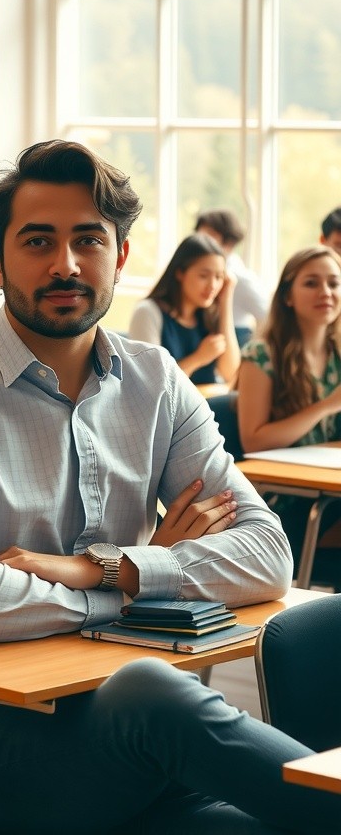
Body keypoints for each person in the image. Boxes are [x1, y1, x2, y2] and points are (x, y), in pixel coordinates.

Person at [0, 139, 338, 834]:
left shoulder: (156, 380)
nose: (65, 264)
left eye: (88, 239)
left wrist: (102, 565)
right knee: (152, 693)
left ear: (119, 256)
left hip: (137, 735)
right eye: (38, 241)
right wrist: (135, 582)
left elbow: (268, 556)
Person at [237, 245, 341, 584]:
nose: (326, 292)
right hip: (287, 502)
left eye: (334, 283)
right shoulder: (262, 353)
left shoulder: (337, 351)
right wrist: (326, 405)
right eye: (312, 283)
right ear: (287, 296)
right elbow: (254, 439)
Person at [128, 232, 240, 386]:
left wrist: (226, 300)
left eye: (219, 277)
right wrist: (198, 358)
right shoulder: (148, 312)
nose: (213, 285)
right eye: (203, 275)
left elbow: (231, 373)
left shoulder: (208, 316)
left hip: (205, 405)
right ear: (180, 273)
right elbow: (151, 383)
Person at [196, 208, 269, 347]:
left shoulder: (240, 279)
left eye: (208, 237)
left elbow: (268, 317)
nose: (201, 242)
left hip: (232, 343)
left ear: (229, 243)